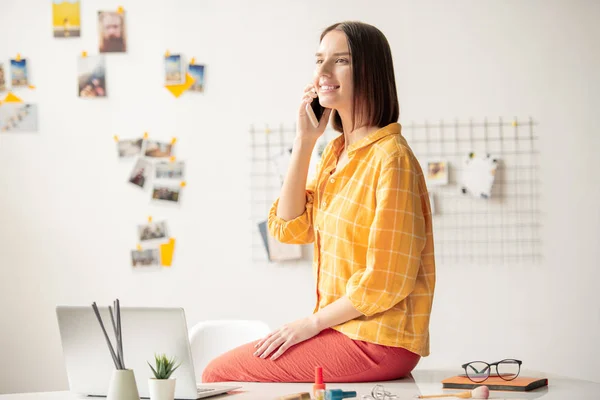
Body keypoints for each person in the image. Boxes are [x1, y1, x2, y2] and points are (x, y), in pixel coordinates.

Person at [202, 21, 436, 383]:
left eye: (339, 61)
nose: (323, 72)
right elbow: (289, 228)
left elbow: (386, 281)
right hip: (346, 331)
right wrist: (306, 140)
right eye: (319, 60)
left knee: (219, 374)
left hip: (378, 341)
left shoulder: (391, 158)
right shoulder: (336, 153)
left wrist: (310, 325)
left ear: (370, 72)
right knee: (221, 372)